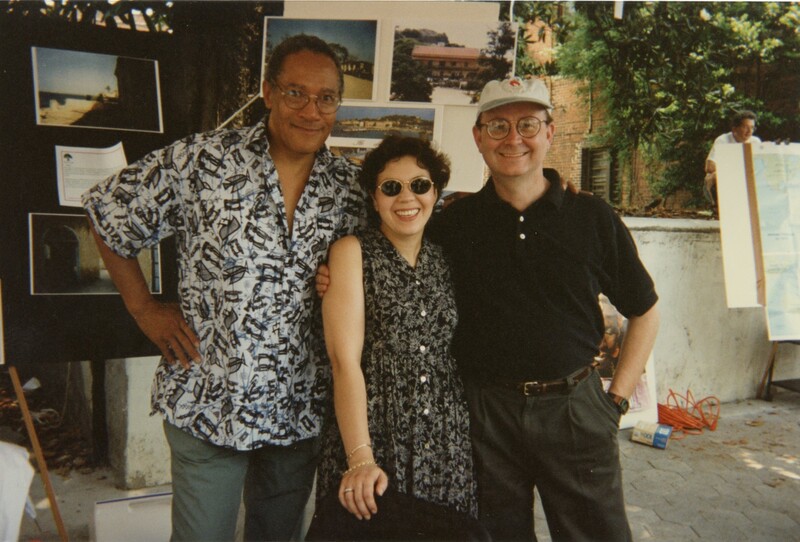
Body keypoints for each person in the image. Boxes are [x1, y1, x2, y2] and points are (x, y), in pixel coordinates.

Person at [82, 34, 366, 541]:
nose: (311, 110)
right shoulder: (203, 160)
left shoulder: (349, 188)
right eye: (296, 93)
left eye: (326, 98)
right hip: (210, 400)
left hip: (300, 408)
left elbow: (385, 257)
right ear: (267, 92)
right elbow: (108, 213)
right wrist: (144, 308)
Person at [429, 77, 660, 541]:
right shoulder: (455, 223)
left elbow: (645, 310)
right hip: (486, 414)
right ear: (478, 137)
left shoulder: (592, 217)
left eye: (528, 125)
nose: (513, 139)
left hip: (573, 410)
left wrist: (614, 403)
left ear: (550, 133)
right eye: (498, 126)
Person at [309, 136, 479, 539]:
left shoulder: (446, 255)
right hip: (375, 433)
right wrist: (360, 458)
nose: (407, 197)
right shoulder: (351, 252)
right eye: (391, 187)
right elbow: (344, 362)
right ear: (374, 197)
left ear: (435, 192)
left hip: (446, 439)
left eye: (420, 185)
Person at [705, 110, 760, 205]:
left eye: (752, 128)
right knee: (715, 175)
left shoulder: (755, 142)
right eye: (745, 127)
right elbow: (709, 167)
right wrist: (736, 172)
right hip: (728, 179)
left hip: (747, 179)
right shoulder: (723, 140)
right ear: (734, 129)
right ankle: (719, 206)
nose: (749, 131)